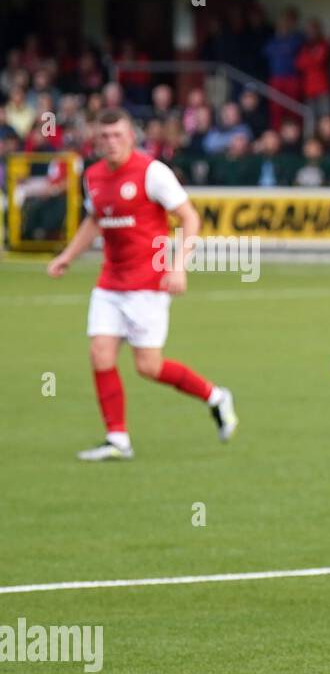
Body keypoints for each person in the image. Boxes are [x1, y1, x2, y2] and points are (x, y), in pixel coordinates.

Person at [46, 109, 237, 460]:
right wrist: (68, 256)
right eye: (104, 137)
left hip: (148, 284)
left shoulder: (153, 172)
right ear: (96, 139)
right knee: (99, 354)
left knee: (148, 365)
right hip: (109, 282)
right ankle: (117, 439)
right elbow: (94, 220)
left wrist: (179, 266)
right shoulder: (93, 176)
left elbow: (190, 217)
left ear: (131, 137)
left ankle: (216, 396)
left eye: (118, 135)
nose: (111, 142)